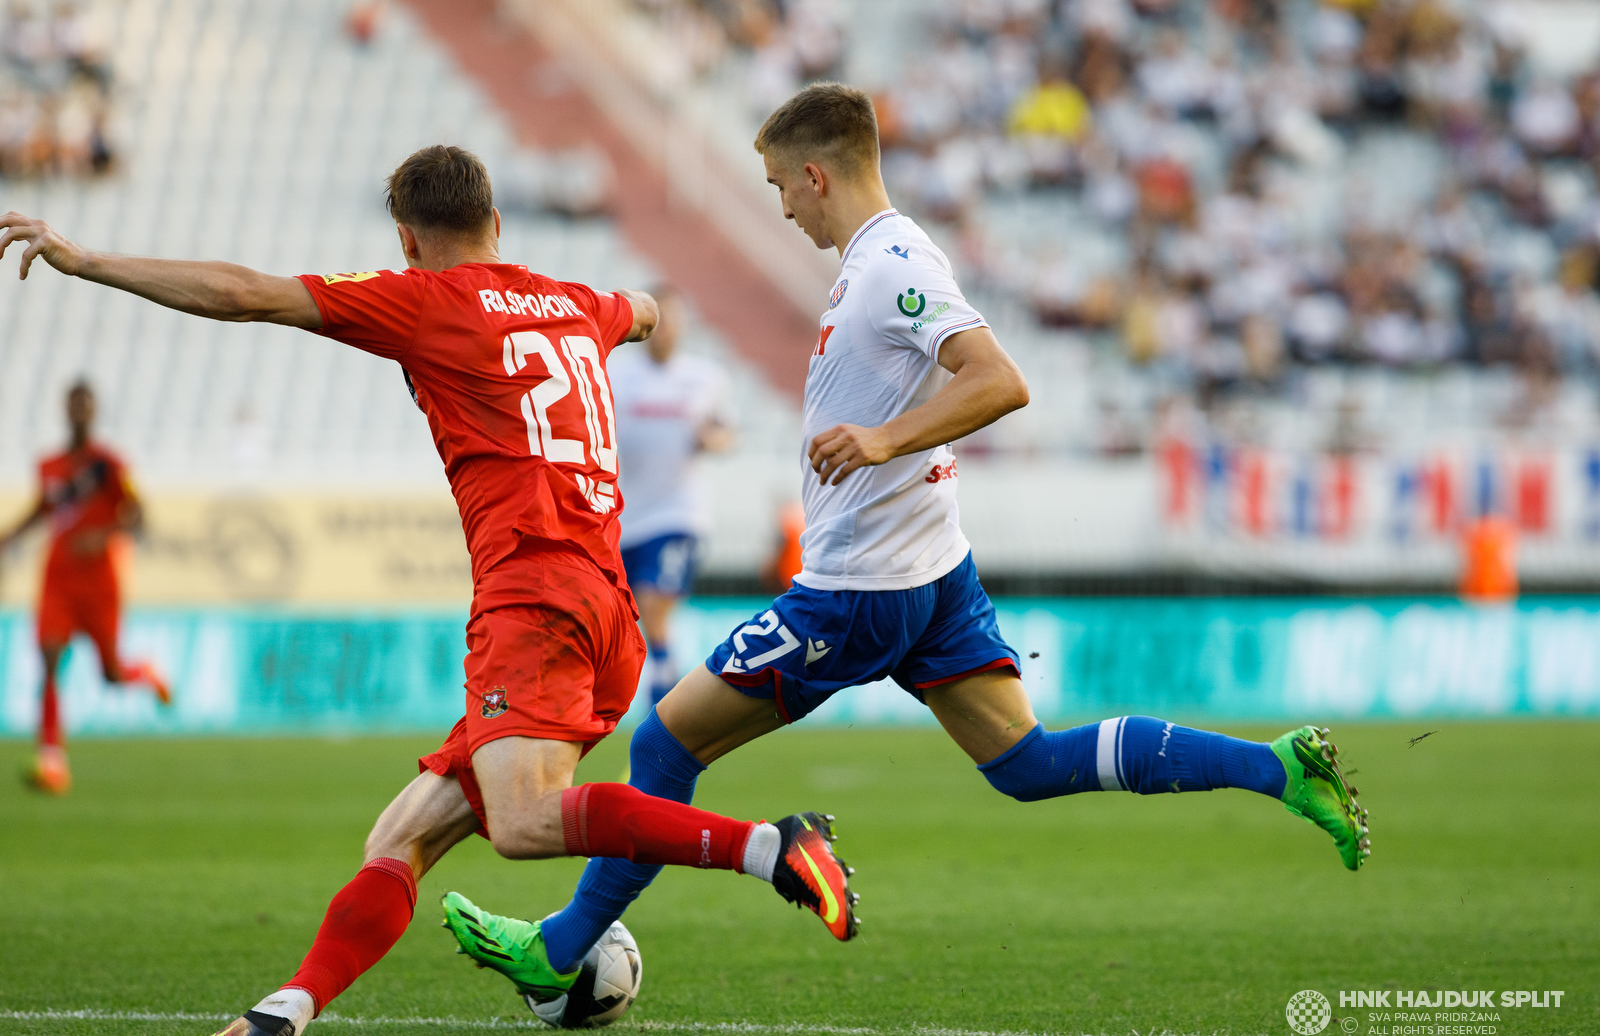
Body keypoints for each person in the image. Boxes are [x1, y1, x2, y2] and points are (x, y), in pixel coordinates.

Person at [0, 144, 856, 1036]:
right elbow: (645, 311)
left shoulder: (426, 299)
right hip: (603, 607)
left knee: (528, 819)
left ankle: (770, 847)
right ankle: (285, 1011)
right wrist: (637, 316)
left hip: (533, 599)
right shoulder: (575, 301)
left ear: (408, 240)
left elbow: (246, 292)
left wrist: (86, 260)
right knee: (401, 837)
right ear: (496, 219)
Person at [514, 83, 1373, 985]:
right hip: (931, 572)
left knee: (663, 745)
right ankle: (1278, 769)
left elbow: (1000, 378)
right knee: (1027, 762)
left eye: (779, 187)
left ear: (816, 175)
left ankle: (559, 948)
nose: (780, 206)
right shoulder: (879, 261)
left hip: (858, 590)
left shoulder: (891, 266)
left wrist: (883, 439)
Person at [0, 380, 170, 794]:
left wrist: (105, 534)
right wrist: (7, 540)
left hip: (99, 582)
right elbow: (41, 511)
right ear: (66, 409)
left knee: (110, 674)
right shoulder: (49, 466)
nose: (79, 411)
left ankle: (142, 672)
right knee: (50, 660)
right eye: (73, 403)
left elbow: (139, 517)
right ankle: (52, 761)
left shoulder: (110, 466)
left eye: (85, 404)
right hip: (58, 577)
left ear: (94, 412)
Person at [608, 286, 733, 707]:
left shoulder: (704, 378)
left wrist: (711, 440)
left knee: (654, 608)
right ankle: (660, 689)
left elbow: (725, 432)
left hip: (678, 514)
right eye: (658, 322)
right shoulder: (616, 372)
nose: (665, 331)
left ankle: (662, 707)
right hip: (624, 516)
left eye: (673, 321)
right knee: (632, 617)